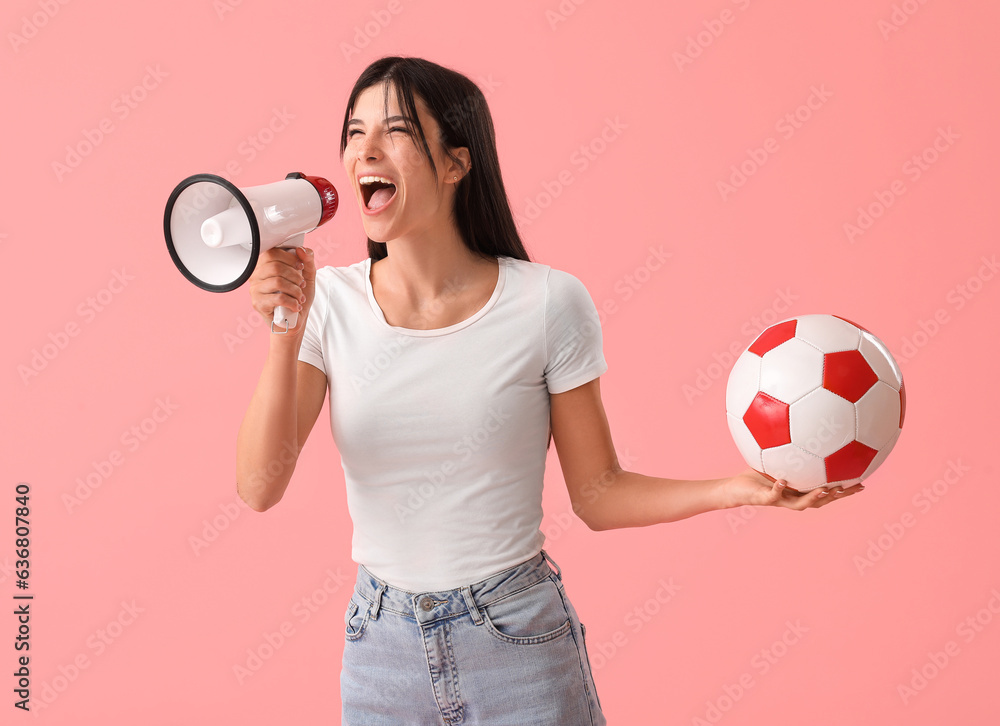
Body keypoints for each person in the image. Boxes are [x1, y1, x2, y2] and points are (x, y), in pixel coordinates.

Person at [235, 56, 863, 725]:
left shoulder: (547, 303)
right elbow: (258, 487)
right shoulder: (327, 303)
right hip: (379, 651)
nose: (365, 150)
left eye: (394, 131)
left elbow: (597, 494)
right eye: (354, 132)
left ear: (456, 163)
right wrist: (286, 330)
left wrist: (737, 489)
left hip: (516, 641)